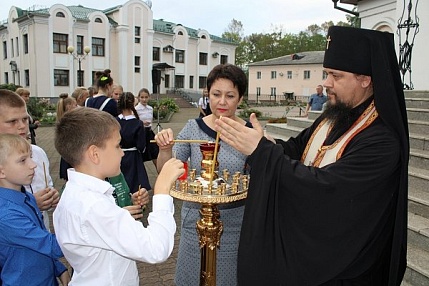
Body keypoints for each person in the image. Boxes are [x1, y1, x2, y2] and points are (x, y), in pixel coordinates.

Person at [215, 26, 409, 285]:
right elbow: (297, 149)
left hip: (346, 268)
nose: (326, 82)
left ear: (366, 79)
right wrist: (264, 143)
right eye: (327, 74)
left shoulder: (382, 141)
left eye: (336, 76)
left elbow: (327, 189)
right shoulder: (335, 116)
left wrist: (262, 152)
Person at [53, 107, 183, 285]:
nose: (122, 152)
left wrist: (123, 212)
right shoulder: (93, 205)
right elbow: (156, 249)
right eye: (117, 145)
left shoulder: (78, 193)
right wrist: (161, 191)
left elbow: (101, 230)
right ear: (94, 154)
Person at [155, 63, 250, 286]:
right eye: (216, 94)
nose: (222, 102)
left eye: (230, 95)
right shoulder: (193, 128)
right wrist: (165, 149)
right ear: (208, 95)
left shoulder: (248, 133)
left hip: (236, 224)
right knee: (193, 277)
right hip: (195, 222)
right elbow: (165, 171)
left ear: (240, 99)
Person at [0, 133, 70, 286]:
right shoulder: (6, 215)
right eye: (23, 160)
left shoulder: (27, 197)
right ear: (1, 171)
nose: (33, 164)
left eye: (30, 157)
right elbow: (50, 245)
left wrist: (58, 267)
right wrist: (91, 227)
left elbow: (37, 241)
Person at [0, 89, 60, 230]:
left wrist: (51, 198)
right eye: (12, 121)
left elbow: (46, 184)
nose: (22, 126)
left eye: (25, 119)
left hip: (41, 233)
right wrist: (31, 204)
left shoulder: (38, 153)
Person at [117, 91, 151, 193]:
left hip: (117, 156)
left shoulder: (114, 121)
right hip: (133, 157)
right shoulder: (137, 123)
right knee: (134, 182)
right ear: (133, 104)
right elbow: (141, 146)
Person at [56, 94, 77, 181]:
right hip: (72, 156)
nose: (77, 107)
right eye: (75, 105)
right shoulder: (70, 122)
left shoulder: (63, 120)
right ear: (69, 107)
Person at [135, 88, 159, 165]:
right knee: (141, 154)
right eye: (142, 97)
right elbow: (134, 121)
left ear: (149, 97)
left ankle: (160, 171)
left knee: (155, 152)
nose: (144, 99)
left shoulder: (150, 109)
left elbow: (151, 120)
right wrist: (142, 123)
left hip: (149, 131)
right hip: (141, 132)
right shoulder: (136, 109)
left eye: (146, 97)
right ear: (139, 98)